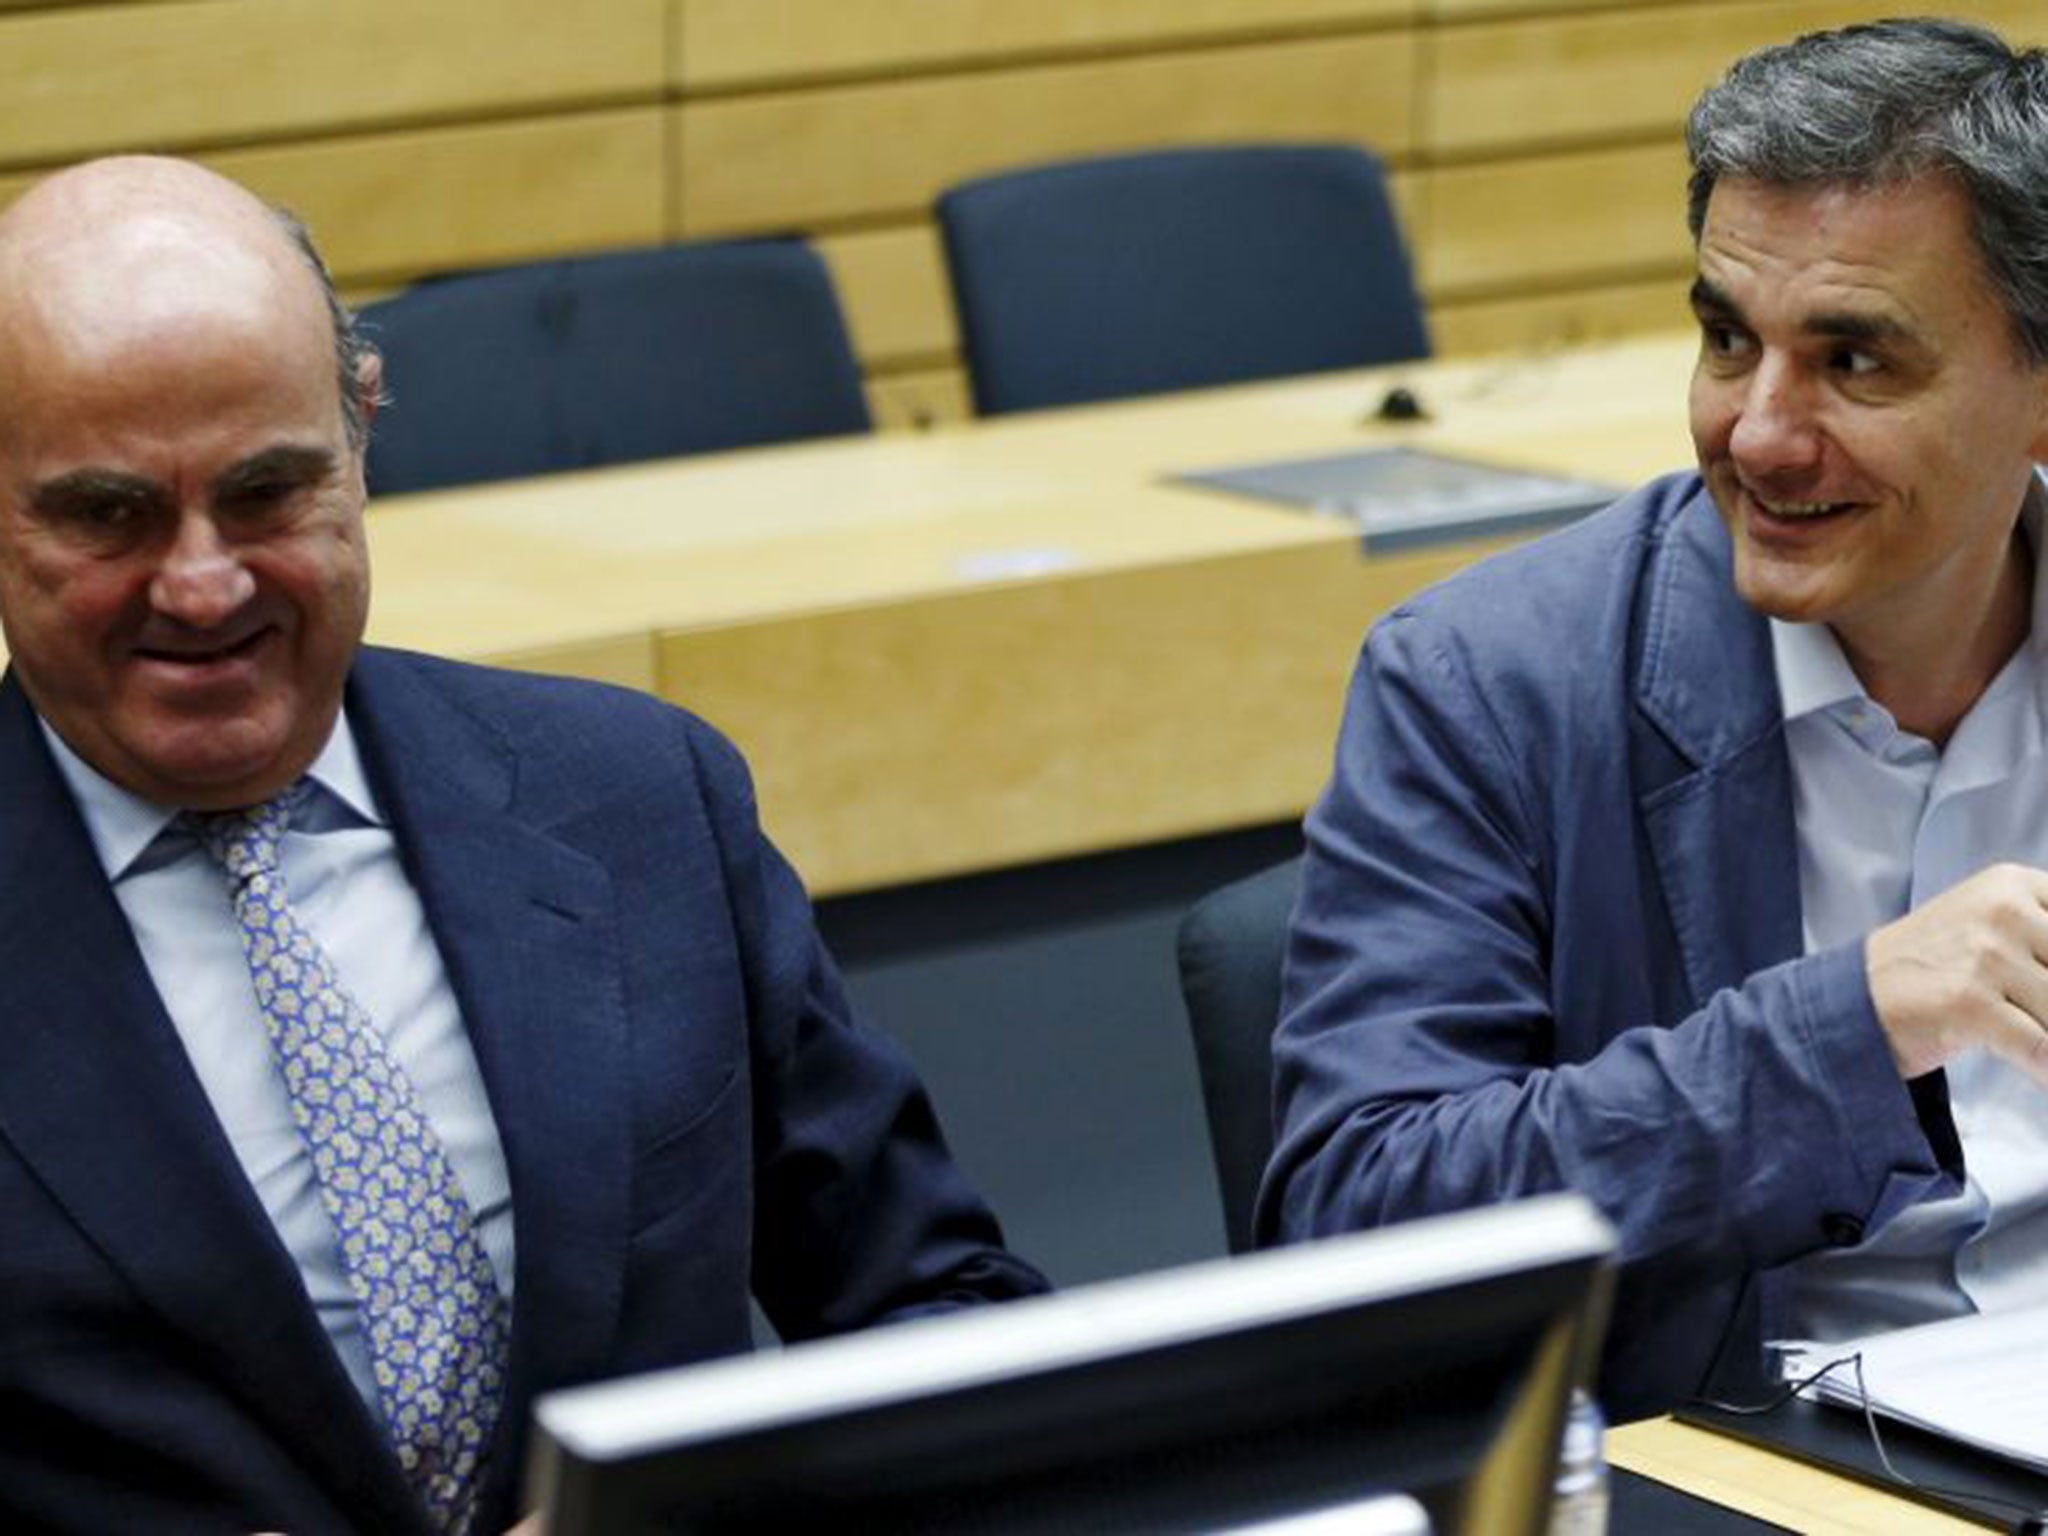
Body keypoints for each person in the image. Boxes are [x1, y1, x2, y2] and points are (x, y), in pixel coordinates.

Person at [0, 155, 1047, 1534]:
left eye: (268, 492)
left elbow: (942, 1321)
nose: (203, 583)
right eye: (109, 515)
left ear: (361, 438)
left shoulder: (639, 802)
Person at [1263, 16, 2048, 1421]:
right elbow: (1358, 1215)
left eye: (1855, 362)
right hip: (1756, 1458)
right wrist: (1847, 1030)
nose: (1757, 431)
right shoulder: (1485, 684)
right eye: (1726, 339)